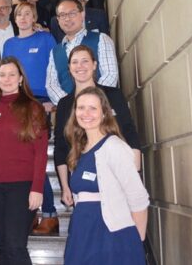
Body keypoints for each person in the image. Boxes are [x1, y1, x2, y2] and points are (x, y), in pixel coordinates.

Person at [0, 58, 48, 265]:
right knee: (2, 245)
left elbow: (41, 152)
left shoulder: (34, 108)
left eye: (12, 74)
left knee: (15, 244)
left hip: (22, 187)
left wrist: (37, 188)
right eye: (2, 75)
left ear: (21, 78)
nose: (7, 79)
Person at [62, 87, 149, 265]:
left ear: (104, 113)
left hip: (112, 234)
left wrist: (135, 243)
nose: (86, 113)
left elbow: (138, 198)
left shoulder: (114, 147)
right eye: (81, 108)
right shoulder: (78, 150)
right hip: (82, 232)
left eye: (93, 108)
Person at [54, 45, 142, 208]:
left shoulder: (113, 95)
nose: (80, 66)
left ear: (94, 65)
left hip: (117, 173)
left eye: (85, 61)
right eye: (75, 62)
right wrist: (65, 186)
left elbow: (129, 131)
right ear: (69, 68)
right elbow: (61, 147)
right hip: (83, 178)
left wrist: (135, 171)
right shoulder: (64, 104)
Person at [3, 2, 59, 236]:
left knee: (36, 161)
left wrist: (53, 101)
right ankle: (32, 212)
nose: (23, 17)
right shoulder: (9, 44)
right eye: (19, 14)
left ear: (35, 17)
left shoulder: (46, 40)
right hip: (16, 104)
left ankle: (49, 213)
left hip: (40, 104)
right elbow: (5, 75)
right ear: (14, 19)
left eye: (28, 13)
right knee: (21, 162)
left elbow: (56, 69)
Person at [45, 0, 119, 105]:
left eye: (72, 13)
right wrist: (70, 104)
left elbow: (110, 75)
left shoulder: (101, 39)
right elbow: (51, 85)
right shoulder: (55, 52)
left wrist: (91, 100)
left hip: (101, 107)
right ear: (58, 20)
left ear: (82, 14)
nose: (67, 19)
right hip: (69, 112)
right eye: (62, 15)